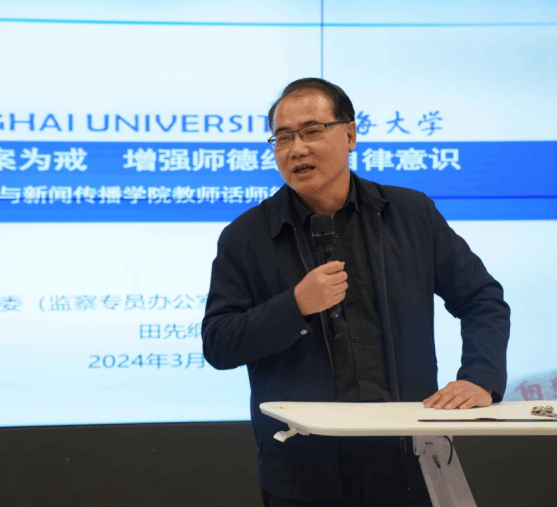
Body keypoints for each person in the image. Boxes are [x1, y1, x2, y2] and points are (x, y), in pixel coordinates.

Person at [201, 78, 510, 506]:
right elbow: (219, 343)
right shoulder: (246, 237)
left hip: (409, 461)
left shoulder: (410, 214)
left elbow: (481, 299)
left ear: (349, 135)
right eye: (283, 138)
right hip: (303, 473)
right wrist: (296, 305)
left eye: (311, 131)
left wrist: (481, 377)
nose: (296, 149)